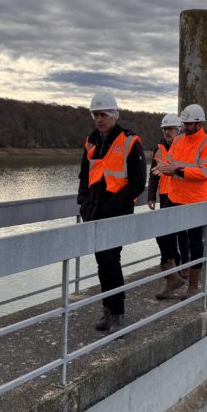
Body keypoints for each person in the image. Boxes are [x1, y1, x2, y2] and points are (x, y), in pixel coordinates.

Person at [77, 92, 146, 332]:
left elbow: (138, 183)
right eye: (96, 114)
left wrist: (115, 205)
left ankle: (117, 313)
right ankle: (108, 309)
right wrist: (83, 203)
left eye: (104, 114)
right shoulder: (92, 140)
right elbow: (84, 176)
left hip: (116, 213)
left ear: (114, 115)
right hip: (94, 212)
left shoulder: (129, 141)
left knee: (110, 260)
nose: (99, 119)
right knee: (101, 262)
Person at [151, 103, 207, 297]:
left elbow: (206, 172)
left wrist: (176, 170)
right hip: (175, 196)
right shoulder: (179, 140)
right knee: (162, 234)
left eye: (189, 124)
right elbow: (170, 162)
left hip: (196, 200)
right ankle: (172, 279)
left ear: (199, 123)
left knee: (195, 242)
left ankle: (193, 286)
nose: (185, 127)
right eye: (184, 123)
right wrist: (163, 167)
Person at [147, 112, 185, 299]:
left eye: (170, 128)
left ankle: (178, 271)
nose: (167, 132)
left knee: (181, 233)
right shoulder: (159, 148)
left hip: (182, 195)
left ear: (179, 129)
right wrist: (151, 196)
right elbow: (153, 174)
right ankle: (173, 272)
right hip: (165, 196)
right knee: (164, 233)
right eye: (165, 128)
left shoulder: (185, 146)